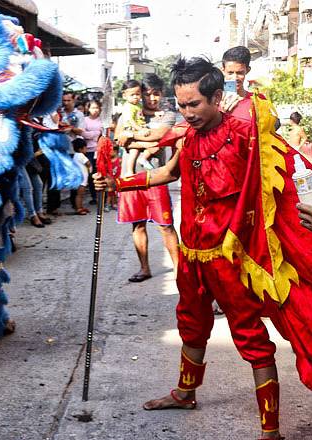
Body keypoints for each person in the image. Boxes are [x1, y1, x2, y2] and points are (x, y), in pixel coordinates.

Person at [95, 56, 284, 439]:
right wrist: (120, 183)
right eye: (181, 105)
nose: (187, 113)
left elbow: (276, 176)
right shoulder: (189, 135)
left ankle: (271, 428)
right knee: (191, 323)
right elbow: (167, 173)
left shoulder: (246, 134)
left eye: (193, 104)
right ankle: (185, 393)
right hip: (193, 253)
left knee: (250, 335)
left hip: (233, 256)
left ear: (217, 97)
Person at [115, 74, 180, 282]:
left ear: (162, 94)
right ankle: (144, 268)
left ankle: (179, 270)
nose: (152, 98)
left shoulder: (167, 115)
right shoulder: (129, 111)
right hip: (131, 176)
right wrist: (145, 143)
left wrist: (132, 138)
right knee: (137, 224)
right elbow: (118, 140)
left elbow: (161, 137)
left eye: (156, 94)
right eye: (147, 94)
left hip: (156, 176)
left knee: (165, 225)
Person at [119, 80, 154, 174]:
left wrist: (155, 113)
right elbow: (131, 121)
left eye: (138, 94)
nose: (135, 97)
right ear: (124, 96)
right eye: (132, 95)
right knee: (135, 151)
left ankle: (143, 159)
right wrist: (140, 129)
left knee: (140, 149)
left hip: (138, 128)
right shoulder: (128, 107)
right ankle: (130, 171)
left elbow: (144, 112)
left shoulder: (138, 105)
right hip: (132, 130)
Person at [220, 46, 254, 122]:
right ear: (223, 70)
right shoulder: (213, 101)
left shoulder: (257, 101)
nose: (234, 78)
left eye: (240, 73)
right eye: (230, 73)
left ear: (247, 71)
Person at [82, 100, 103, 203]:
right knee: (91, 174)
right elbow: (83, 134)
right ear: (88, 109)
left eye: (97, 108)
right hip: (88, 150)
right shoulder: (84, 120)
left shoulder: (102, 120)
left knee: (101, 172)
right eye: (92, 108)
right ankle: (94, 196)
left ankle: (102, 196)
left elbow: (104, 135)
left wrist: (91, 134)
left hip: (100, 150)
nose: (95, 110)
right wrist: (96, 133)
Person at [72, 138, 91, 215]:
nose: (86, 149)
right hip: (81, 180)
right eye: (85, 148)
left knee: (80, 194)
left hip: (80, 179)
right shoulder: (81, 155)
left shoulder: (76, 155)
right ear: (81, 149)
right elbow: (88, 163)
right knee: (79, 195)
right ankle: (79, 208)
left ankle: (80, 206)